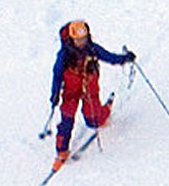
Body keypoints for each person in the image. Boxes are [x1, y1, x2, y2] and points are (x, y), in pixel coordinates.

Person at [49, 20, 134, 169]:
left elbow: (110, 57)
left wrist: (125, 58)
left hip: (89, 87)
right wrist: (55, 94)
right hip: (71, 91)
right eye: (78, 40)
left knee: (93, 119)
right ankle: (62, 151)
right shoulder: (64, 55)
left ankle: (105, 111)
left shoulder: (92, 49)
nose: (82, 42)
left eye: (84, 38)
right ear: (71, 39)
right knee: (67, 119)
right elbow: (57, 75)